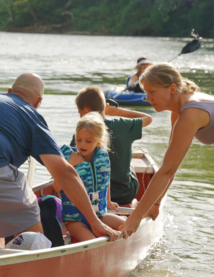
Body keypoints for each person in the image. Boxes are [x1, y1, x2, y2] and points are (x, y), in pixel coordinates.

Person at [0, 73, 120, 246]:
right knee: (29, 213)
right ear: (38, 102)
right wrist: (95, 222)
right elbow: (64, 173)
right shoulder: (30, 115)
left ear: (10, 91)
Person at [120, 62, 214, 238]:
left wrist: (136, 216)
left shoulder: (190, 113)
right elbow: (170, 167)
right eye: (146, 92)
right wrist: (155, 204)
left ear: (172, 88)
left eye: (152, 92)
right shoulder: (180, 110)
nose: (148, 98)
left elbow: (167, 171)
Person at [70, 86, 152, 205]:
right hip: (124, 194)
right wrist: (114, 111)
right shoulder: (123, 125)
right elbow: (148, 118)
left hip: (91, 194)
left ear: (86, 111)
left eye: (80, 113)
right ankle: (133, 203)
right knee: (130, 164)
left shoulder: (80, 136)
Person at [54, 112, 125, 242]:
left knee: (127, 224)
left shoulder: (102, 157)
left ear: (99, 142)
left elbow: (105, 179)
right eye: (79, 139)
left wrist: (108, 201)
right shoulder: (68, 158)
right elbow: (56, 187)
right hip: (75, 220)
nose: (82, 145)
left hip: (99, 215)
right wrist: (70, 164)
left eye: (88, 141)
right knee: (92, 241)